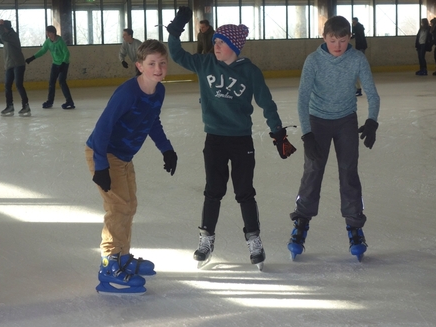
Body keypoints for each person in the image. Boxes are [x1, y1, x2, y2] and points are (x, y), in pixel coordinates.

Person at [166, 7, 297, 271]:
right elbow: (177, 54)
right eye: (214, 41)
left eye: (220, 43)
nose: (215, 46)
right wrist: (175, 32)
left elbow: (266, 103)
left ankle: (254, 240)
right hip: (214, 139)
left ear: (233, 46)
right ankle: (206, 239)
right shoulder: (205, 64)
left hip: (240, 140)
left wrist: (278, 132)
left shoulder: (250, 72)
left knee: (244, 192)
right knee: (213, 191)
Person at [85, 39, 178, 295]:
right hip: (104, 153)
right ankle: (109, 265)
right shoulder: (128, 93)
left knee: (129, 206)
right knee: (118, 207)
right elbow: (104, 128)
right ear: (139, 65)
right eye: (151, 64)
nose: (157, 68)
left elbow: (152, 121)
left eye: (162, 63)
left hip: (124, 157)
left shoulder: (158, 91)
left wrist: (166, 149)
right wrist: (101, 166)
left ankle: (122, 257)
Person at [289, 16, 380, 263]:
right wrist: (307, 133)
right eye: (332, 40)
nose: (337, 45)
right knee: (313, 170)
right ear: (324, 38)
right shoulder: (314, 61)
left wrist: (372, 120)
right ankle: (300, 224)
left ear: (349, 38)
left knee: (349, 171)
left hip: (346, 121)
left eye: (342, 40)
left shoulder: (357, 59)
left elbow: (372, 93)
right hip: (317, 121)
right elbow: (302, 98)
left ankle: (355, 228)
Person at [25, 25, 75, 109]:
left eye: (49, 32)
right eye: (47, 32)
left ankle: (69, 101)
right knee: (51, 83)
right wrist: (32, 57)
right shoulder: (48, 42)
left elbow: (66, 53)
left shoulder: (60, 41)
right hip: (55, 64)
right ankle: (50, 101)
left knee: (62, 82)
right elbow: (42, 51)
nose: (47, 34)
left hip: (64, 63)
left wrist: (63, 63)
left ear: (53, 33)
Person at [0, 19, 30, 117]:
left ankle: (26, 105)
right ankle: (9, 106)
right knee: (7, 85)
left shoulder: (13, 35)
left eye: (3, 28)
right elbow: (0, 40)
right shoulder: (6, 37)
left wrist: (0, 27)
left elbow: (4, 37)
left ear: (6, 28)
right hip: (9, 65)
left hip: (18, 64)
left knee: (18, 84)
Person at [351, 17, 367, 96]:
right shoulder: (356, 27)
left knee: (360, 57)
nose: (353, 22)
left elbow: (357, 35)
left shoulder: (358, 27)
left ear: (356, 21)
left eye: (353, 21)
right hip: (359, 45)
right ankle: (357, 89)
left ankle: (358, 89)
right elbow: (355, 35)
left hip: (361, 45)